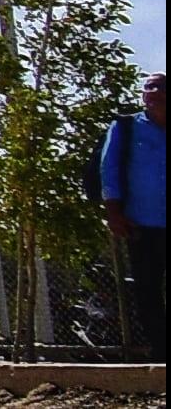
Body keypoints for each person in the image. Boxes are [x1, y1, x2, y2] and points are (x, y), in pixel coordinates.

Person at [104, 71, 169, 359]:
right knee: (147, 288)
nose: (152, 92)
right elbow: (109, 169)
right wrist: (114, 212)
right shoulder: (126, 127)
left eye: (159, 87)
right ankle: (161, 348)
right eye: (148, 87)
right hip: (142, 224)